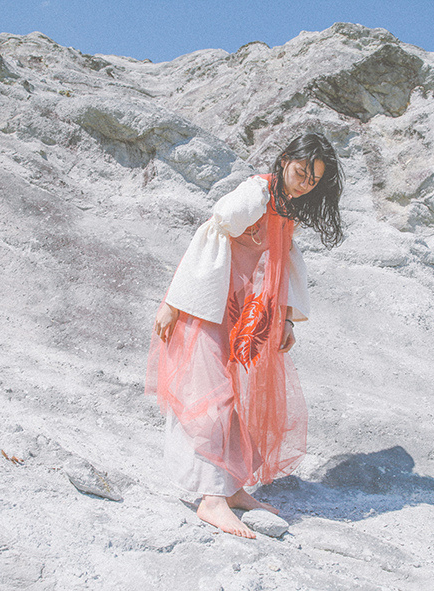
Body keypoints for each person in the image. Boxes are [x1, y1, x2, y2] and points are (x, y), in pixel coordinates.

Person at [146, 132, 343, 538]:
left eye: (313, 180)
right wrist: (173, 302)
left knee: (228, 398)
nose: (304, 184)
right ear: (284, 160)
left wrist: (286, 319)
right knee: (209, 397)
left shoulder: (285, 210)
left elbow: (283, 266)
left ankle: (231, 488)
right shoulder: (258, 192)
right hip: (204, 305)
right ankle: (211, 499)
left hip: (235, 312)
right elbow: (209, 235)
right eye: (300, 172)